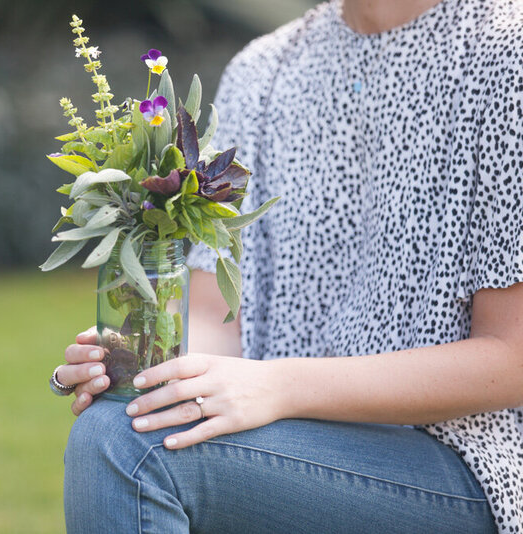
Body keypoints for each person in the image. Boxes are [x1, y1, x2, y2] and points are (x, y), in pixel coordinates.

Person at [50, 0, 523, 531]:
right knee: (119, 419)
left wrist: (279, 386)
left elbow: (513, 358)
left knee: (129, 448)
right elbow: (216, 316)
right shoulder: (262, 70)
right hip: (278, 433)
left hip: (462, 463)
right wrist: (141, 362)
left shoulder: (506, 53)